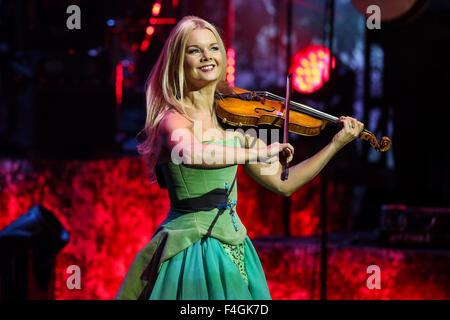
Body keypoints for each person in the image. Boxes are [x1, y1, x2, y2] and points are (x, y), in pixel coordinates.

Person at [114, 16, 363, 300]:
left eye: (214, 48)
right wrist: (257, 151)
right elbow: (190, 152)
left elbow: (284, 184)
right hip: (191, 247)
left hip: (236, 246)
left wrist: (335, 144)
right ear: (178, 61)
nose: (207, 56)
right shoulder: (173, 119)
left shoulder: (232, 123)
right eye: (195, 50)